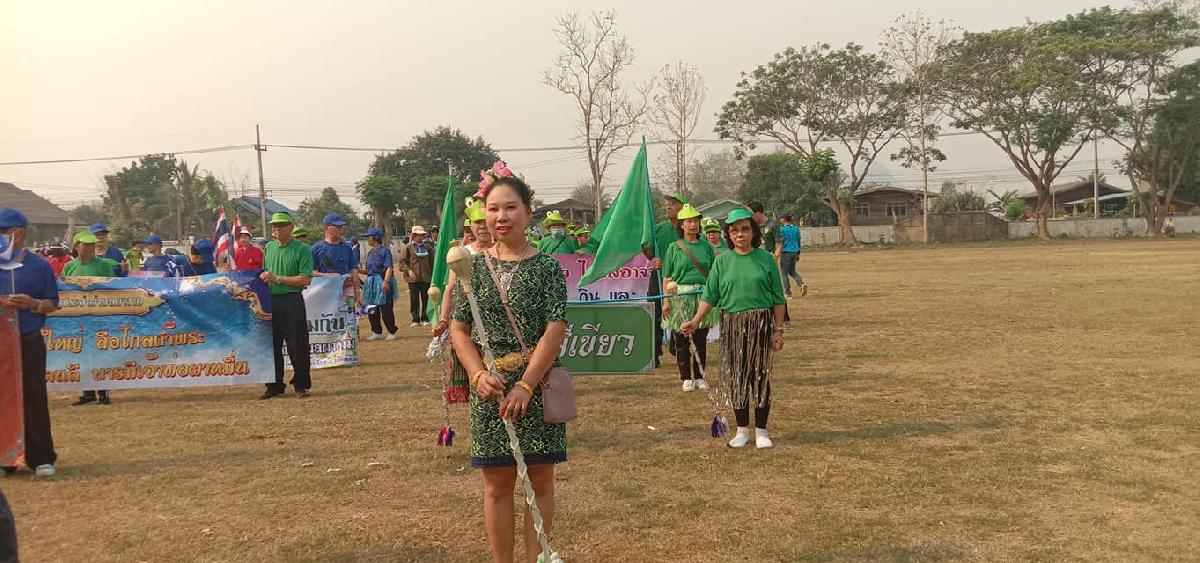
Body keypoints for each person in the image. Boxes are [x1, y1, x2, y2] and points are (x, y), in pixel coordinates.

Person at [448, 174, 568, 563]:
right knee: (497, 484)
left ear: (528, 213)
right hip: (492, 390)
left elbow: (555, 329)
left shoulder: (548, 267)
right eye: (493, 209)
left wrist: (527, 385)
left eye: (510, 207)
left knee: (540, 479)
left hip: (538, 385)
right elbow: (459, 328)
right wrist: (478, 375)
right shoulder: (472, 267)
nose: (501, 216)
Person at [683, 208, 786, 449]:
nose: (740, 234)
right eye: (734, 230)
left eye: (745, 229)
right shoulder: (722, 261)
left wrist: (778, 330)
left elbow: (778, 299)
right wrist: (696, 321)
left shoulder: (766, 259)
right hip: (732, 325)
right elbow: (710, 296)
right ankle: (742, 430)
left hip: (761, 323)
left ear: (753, 232)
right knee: (737, 377)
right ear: (728, 235)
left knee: (760, 377)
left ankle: (761, 431)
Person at [0, 208, 60, 477]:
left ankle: (41, 458)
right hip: (1, 344)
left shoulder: (39, 266)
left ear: (20, 233)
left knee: (34, 397)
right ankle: (5, 458)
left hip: (28, 340)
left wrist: (33, 304)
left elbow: (52, 304)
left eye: (4, 231)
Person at [662, 204, 719, 392]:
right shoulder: (674, 248)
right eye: (689, 222)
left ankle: (700, 376)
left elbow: (713, 274)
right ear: (681, 225)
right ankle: (686, 377)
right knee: (681, 339)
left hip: (702, 295)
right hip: (680, 296)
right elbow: (667, 276)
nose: (693, 225)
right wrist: (666, 301)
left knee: (701, 338)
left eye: (695, 221)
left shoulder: (706, 247)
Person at [62, 230, 122, 405]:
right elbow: (64, 288)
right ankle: (88, 393)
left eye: (92, 246)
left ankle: (103, 393)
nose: (89, 249)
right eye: (86, 245)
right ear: (76, 247)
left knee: (100, 353)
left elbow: (113, 287)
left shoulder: (103, 265)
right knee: (81, 353)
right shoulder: (69, 267)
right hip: (77, 317)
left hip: (99, 316)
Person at [259, 212, 314, 399]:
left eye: (281, 225)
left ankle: (301, 384)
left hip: (291, 301)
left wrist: (278, 279)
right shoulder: (269, 248)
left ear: (291, 227)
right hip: (269, 301)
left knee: (297, 345)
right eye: (274, 225)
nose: (277, 228)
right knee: (270, 345)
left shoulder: (302, 249)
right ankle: (274, 384)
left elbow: (305, 279)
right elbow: (264, 272)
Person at [644, 193, 687, 368]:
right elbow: (649, 253)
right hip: (658, 276)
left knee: (680, 313)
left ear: (683, 207)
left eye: (673, 203)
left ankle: (678, 348)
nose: (668, 206)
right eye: (667, 203)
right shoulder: (658, 230)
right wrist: (650, 255)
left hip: (680, 278)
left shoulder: (687, 230)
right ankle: (654, 354)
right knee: (655, 313)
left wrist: (669, 264)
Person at [749, 202, 791, 328]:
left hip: (769, 261)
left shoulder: (773, 224)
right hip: (754, 261)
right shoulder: (751, 226)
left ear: (757, 213)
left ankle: (785, 318)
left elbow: (779, 243)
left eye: (751, 214)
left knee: (775, 289)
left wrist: (774, 259)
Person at [310, 213, 361, 306]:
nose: (340, 229)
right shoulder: (316, 249)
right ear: (326, 227)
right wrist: (328, 276)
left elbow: (354, 270)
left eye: (341, 226)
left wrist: (357, 292)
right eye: (337, 226)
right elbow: (310, 272)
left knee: (346, 314)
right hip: (324, 294)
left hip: (345, 293)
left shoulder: (347, 248)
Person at [360, 227, 398, 341]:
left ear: (375, 238)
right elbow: (369, 271)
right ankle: (376, 331)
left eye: (369, 237)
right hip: (371, 282)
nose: (367, 239)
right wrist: (357, 270)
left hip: (381, 280)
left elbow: (389, 267)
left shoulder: (385, 251)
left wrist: (385, 281)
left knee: (385, 307)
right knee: (371, 308)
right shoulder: (370, 253)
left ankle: (391, 331)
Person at [396, 225, 434, 326]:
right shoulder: (408, 248)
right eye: (418, 235)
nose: (421, 237)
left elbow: (432, 262)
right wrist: (408, 270)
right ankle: (415, 319)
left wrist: (432, 274)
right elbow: (402, 263)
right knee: (414, 299)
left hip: (426, 277)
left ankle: (425, 318)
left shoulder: (428, 248)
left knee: (426, 298)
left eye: (422, 235)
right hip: (413, 278)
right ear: (414, 235)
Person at [777, 213, 807, 298]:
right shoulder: (796, 229)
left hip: (786, 252)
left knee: (784, 273)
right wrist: (798, 253)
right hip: (795, 252)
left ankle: (787, 293)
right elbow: (798, 241)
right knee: (792, 271)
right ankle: (801, 284)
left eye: (781, 218)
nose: (780, 220)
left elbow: (780, 241)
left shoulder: (782, 229)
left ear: (784, 219)